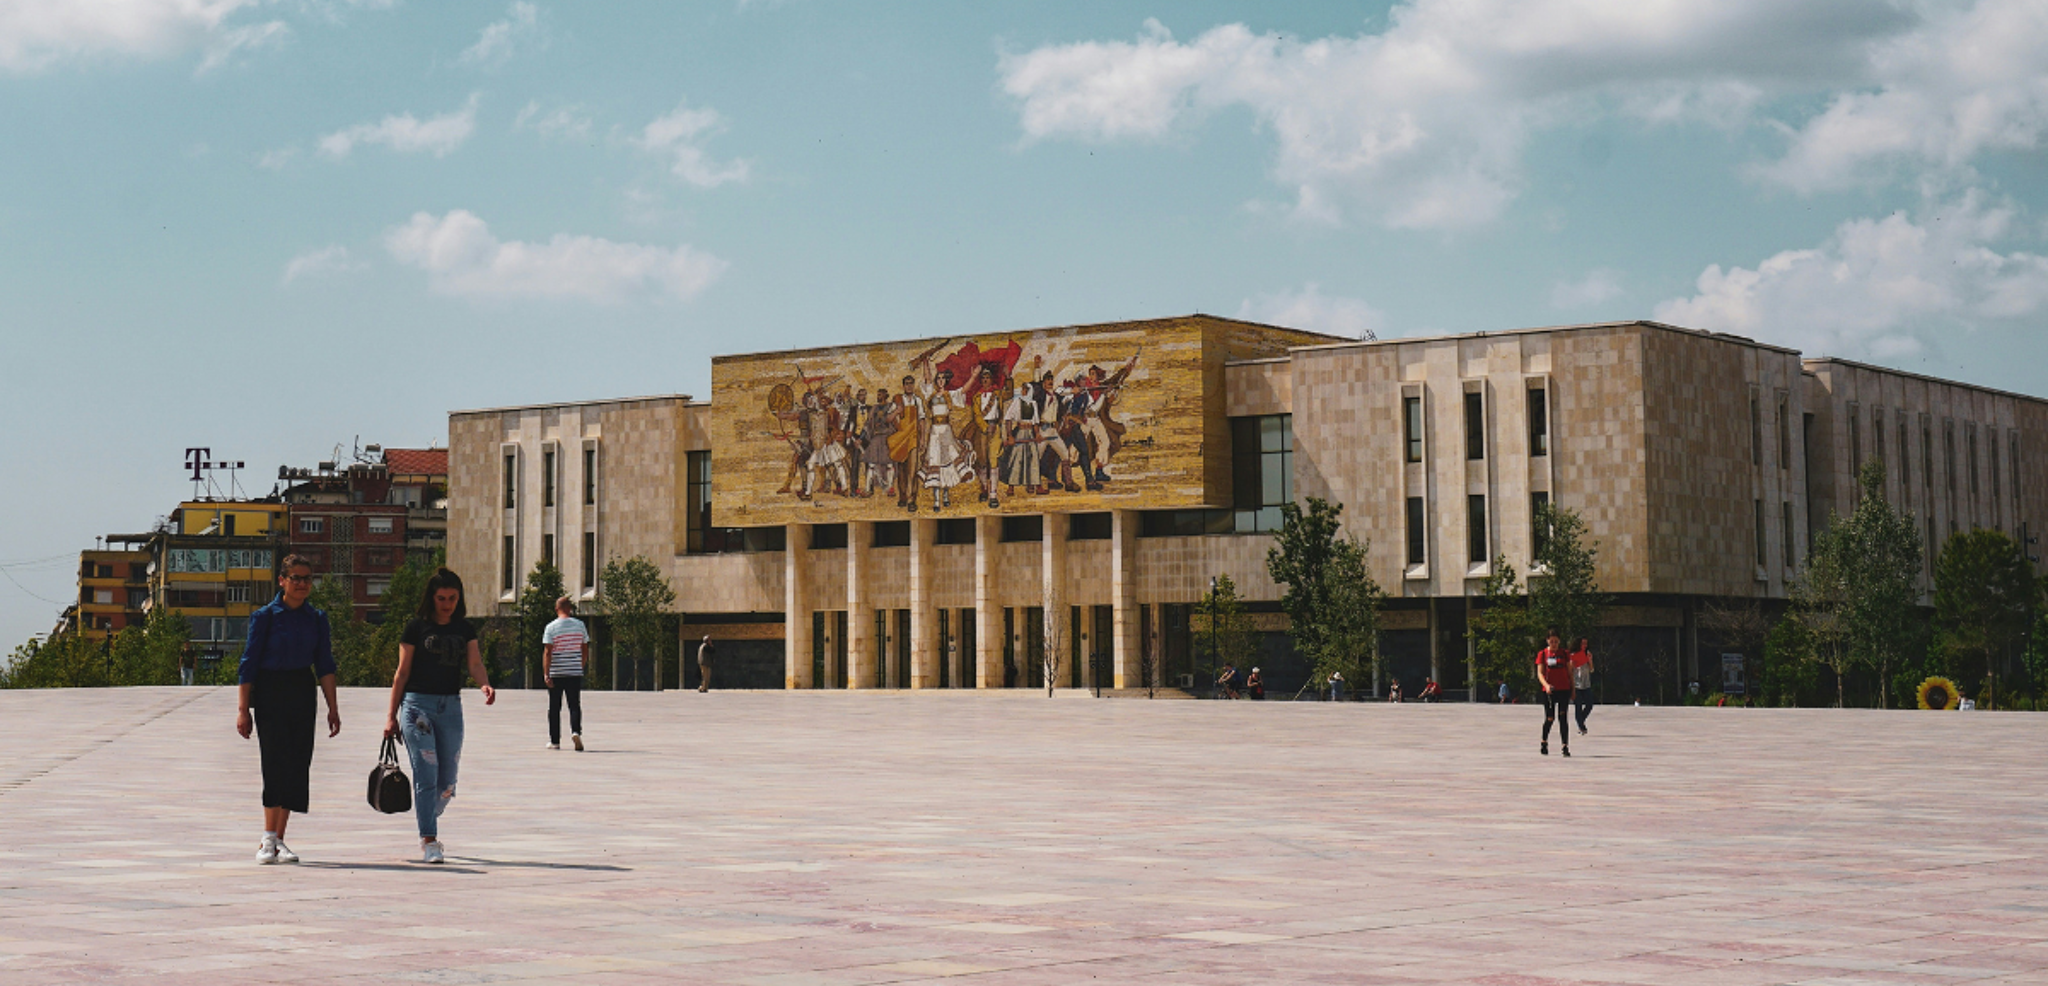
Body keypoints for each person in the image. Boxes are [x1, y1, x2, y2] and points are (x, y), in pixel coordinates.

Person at [385, 568, 497, 864]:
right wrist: (390, 716)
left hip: (450, 707)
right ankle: (429, 840)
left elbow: (474, 663)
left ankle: (427, 813)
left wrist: (484, 683)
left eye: (452, 598)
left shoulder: (464, 629)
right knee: (426, 773)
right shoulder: (415, 628)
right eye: (441, 598)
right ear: (431, 598)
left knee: (447, 782)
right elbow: (402, 672)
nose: (446, 603)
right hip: (416, 708)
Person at [236, 554, 340, 865]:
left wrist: (332, 708)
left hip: (301, 690)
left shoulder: (317, 619)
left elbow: (325, 664)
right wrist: (243, 709)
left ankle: (280, 839)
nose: (302, 584)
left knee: (297, 765)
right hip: (270, 691)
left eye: (307, 578)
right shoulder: (265, 617)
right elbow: (248, 664)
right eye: (295, 578)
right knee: (274, 761)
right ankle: (267, 839)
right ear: (282, 580)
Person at [542, 596, 587, 751]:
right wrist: (579, 665)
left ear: (556, 609)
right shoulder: (580, 625)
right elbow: (584, 648)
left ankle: (555, 741)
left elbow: (548, 652)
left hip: (557, 671)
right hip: (574, 671)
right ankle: (576, 732)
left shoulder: (551, 627)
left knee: (554, 707)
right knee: (574, 705)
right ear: (570, 608)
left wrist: (546, 673)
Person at [1535, 629, 1573, 757]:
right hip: (1549, 690)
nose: (1554, 644)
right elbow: (1540, 673)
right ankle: (1544, 742)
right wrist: (1545, 685)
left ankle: (1565, 746)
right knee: (1550, 718)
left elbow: (1569, 672)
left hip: (1564, 689)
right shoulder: (1543, 654)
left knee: (1563, 717)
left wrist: (1573, 689)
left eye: (1556, 641)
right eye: (1551, 641)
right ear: (1547, 641)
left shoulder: (1564, 653)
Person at [1569, 637, 1595, 735]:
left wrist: (1590, 660)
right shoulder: (1573, 656)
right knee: (1578, 706)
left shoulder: (1587, 654)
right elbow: (1570, 671)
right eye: (1583, 643)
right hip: (1576, 685)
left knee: (1589, 705)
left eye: (1586, 643)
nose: (1585, 645)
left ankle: (1581, 721)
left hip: (1586, 684)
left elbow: (1591, 670)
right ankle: (1581, 726)